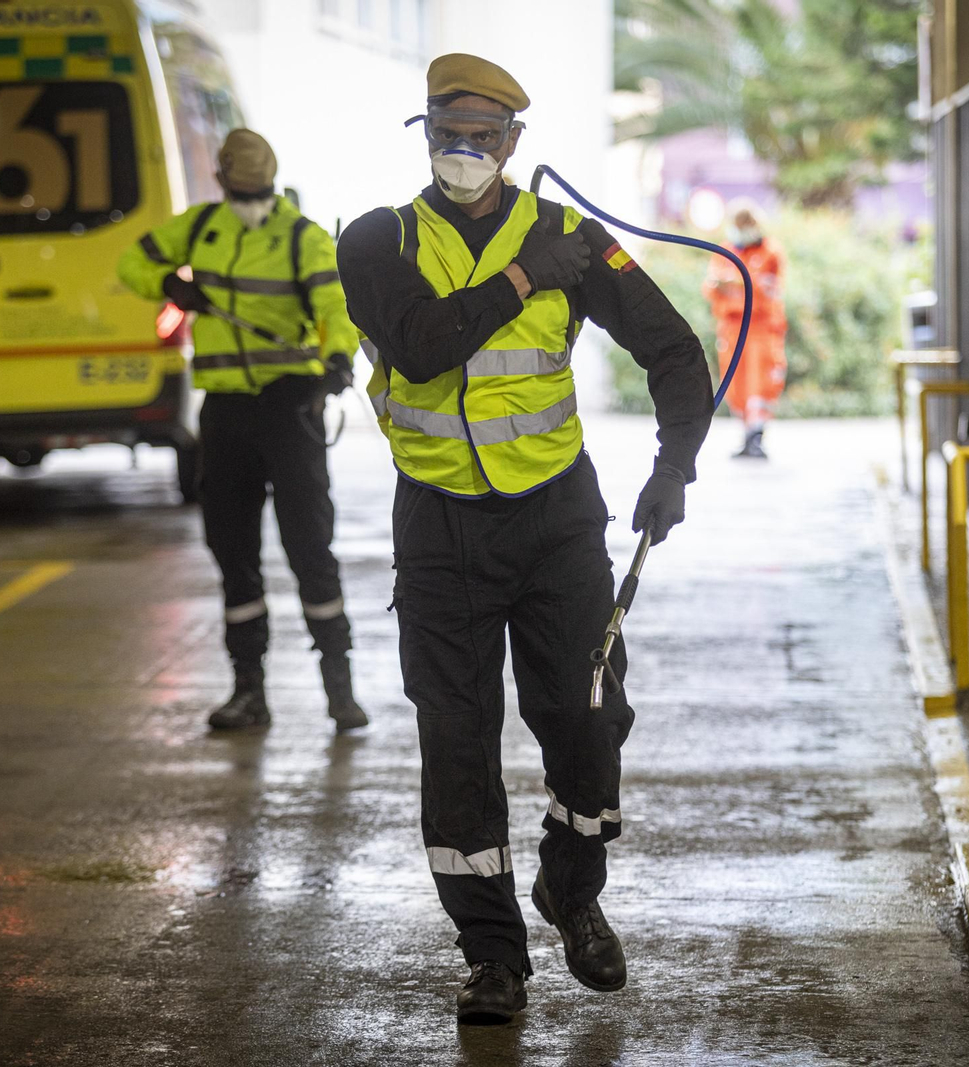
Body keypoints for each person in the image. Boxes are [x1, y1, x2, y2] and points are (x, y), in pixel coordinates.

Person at [336, 54, 713, 1024]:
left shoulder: (572, 241)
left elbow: (675, 350)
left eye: (484, 135)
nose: (464, 151)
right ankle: (492, 954)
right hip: (439, 526)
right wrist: (517, 278)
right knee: (457, 740)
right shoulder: (376, 242)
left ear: (513, 142)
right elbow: (420, 344)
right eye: (447, 133)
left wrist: (675, 464)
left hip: (555, 522)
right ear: (424, 134)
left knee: (589, 718)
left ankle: (570, 887)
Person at [118, 129, 367, 734]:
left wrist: (338, 359)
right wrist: (168, 285)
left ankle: (340, 689)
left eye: (255, 189)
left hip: (290, 406)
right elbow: (132, 262)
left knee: (310, 546)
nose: (246, 196)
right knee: (233, 551)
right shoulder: (201, 228)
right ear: (224, 182)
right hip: (226, 413)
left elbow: (335, 308)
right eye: (240, 187)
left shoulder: (301, 238)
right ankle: (248, 690)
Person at [703, 200, 787, 459]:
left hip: (761, 328)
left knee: (760, 383)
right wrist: (732, 285)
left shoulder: (770, 252)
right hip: (731, 328)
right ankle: (747, 435)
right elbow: (710, 287)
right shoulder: (726, 251)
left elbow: (768, 290)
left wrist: (736, 283)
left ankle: (757, 436)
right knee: (736, 385)